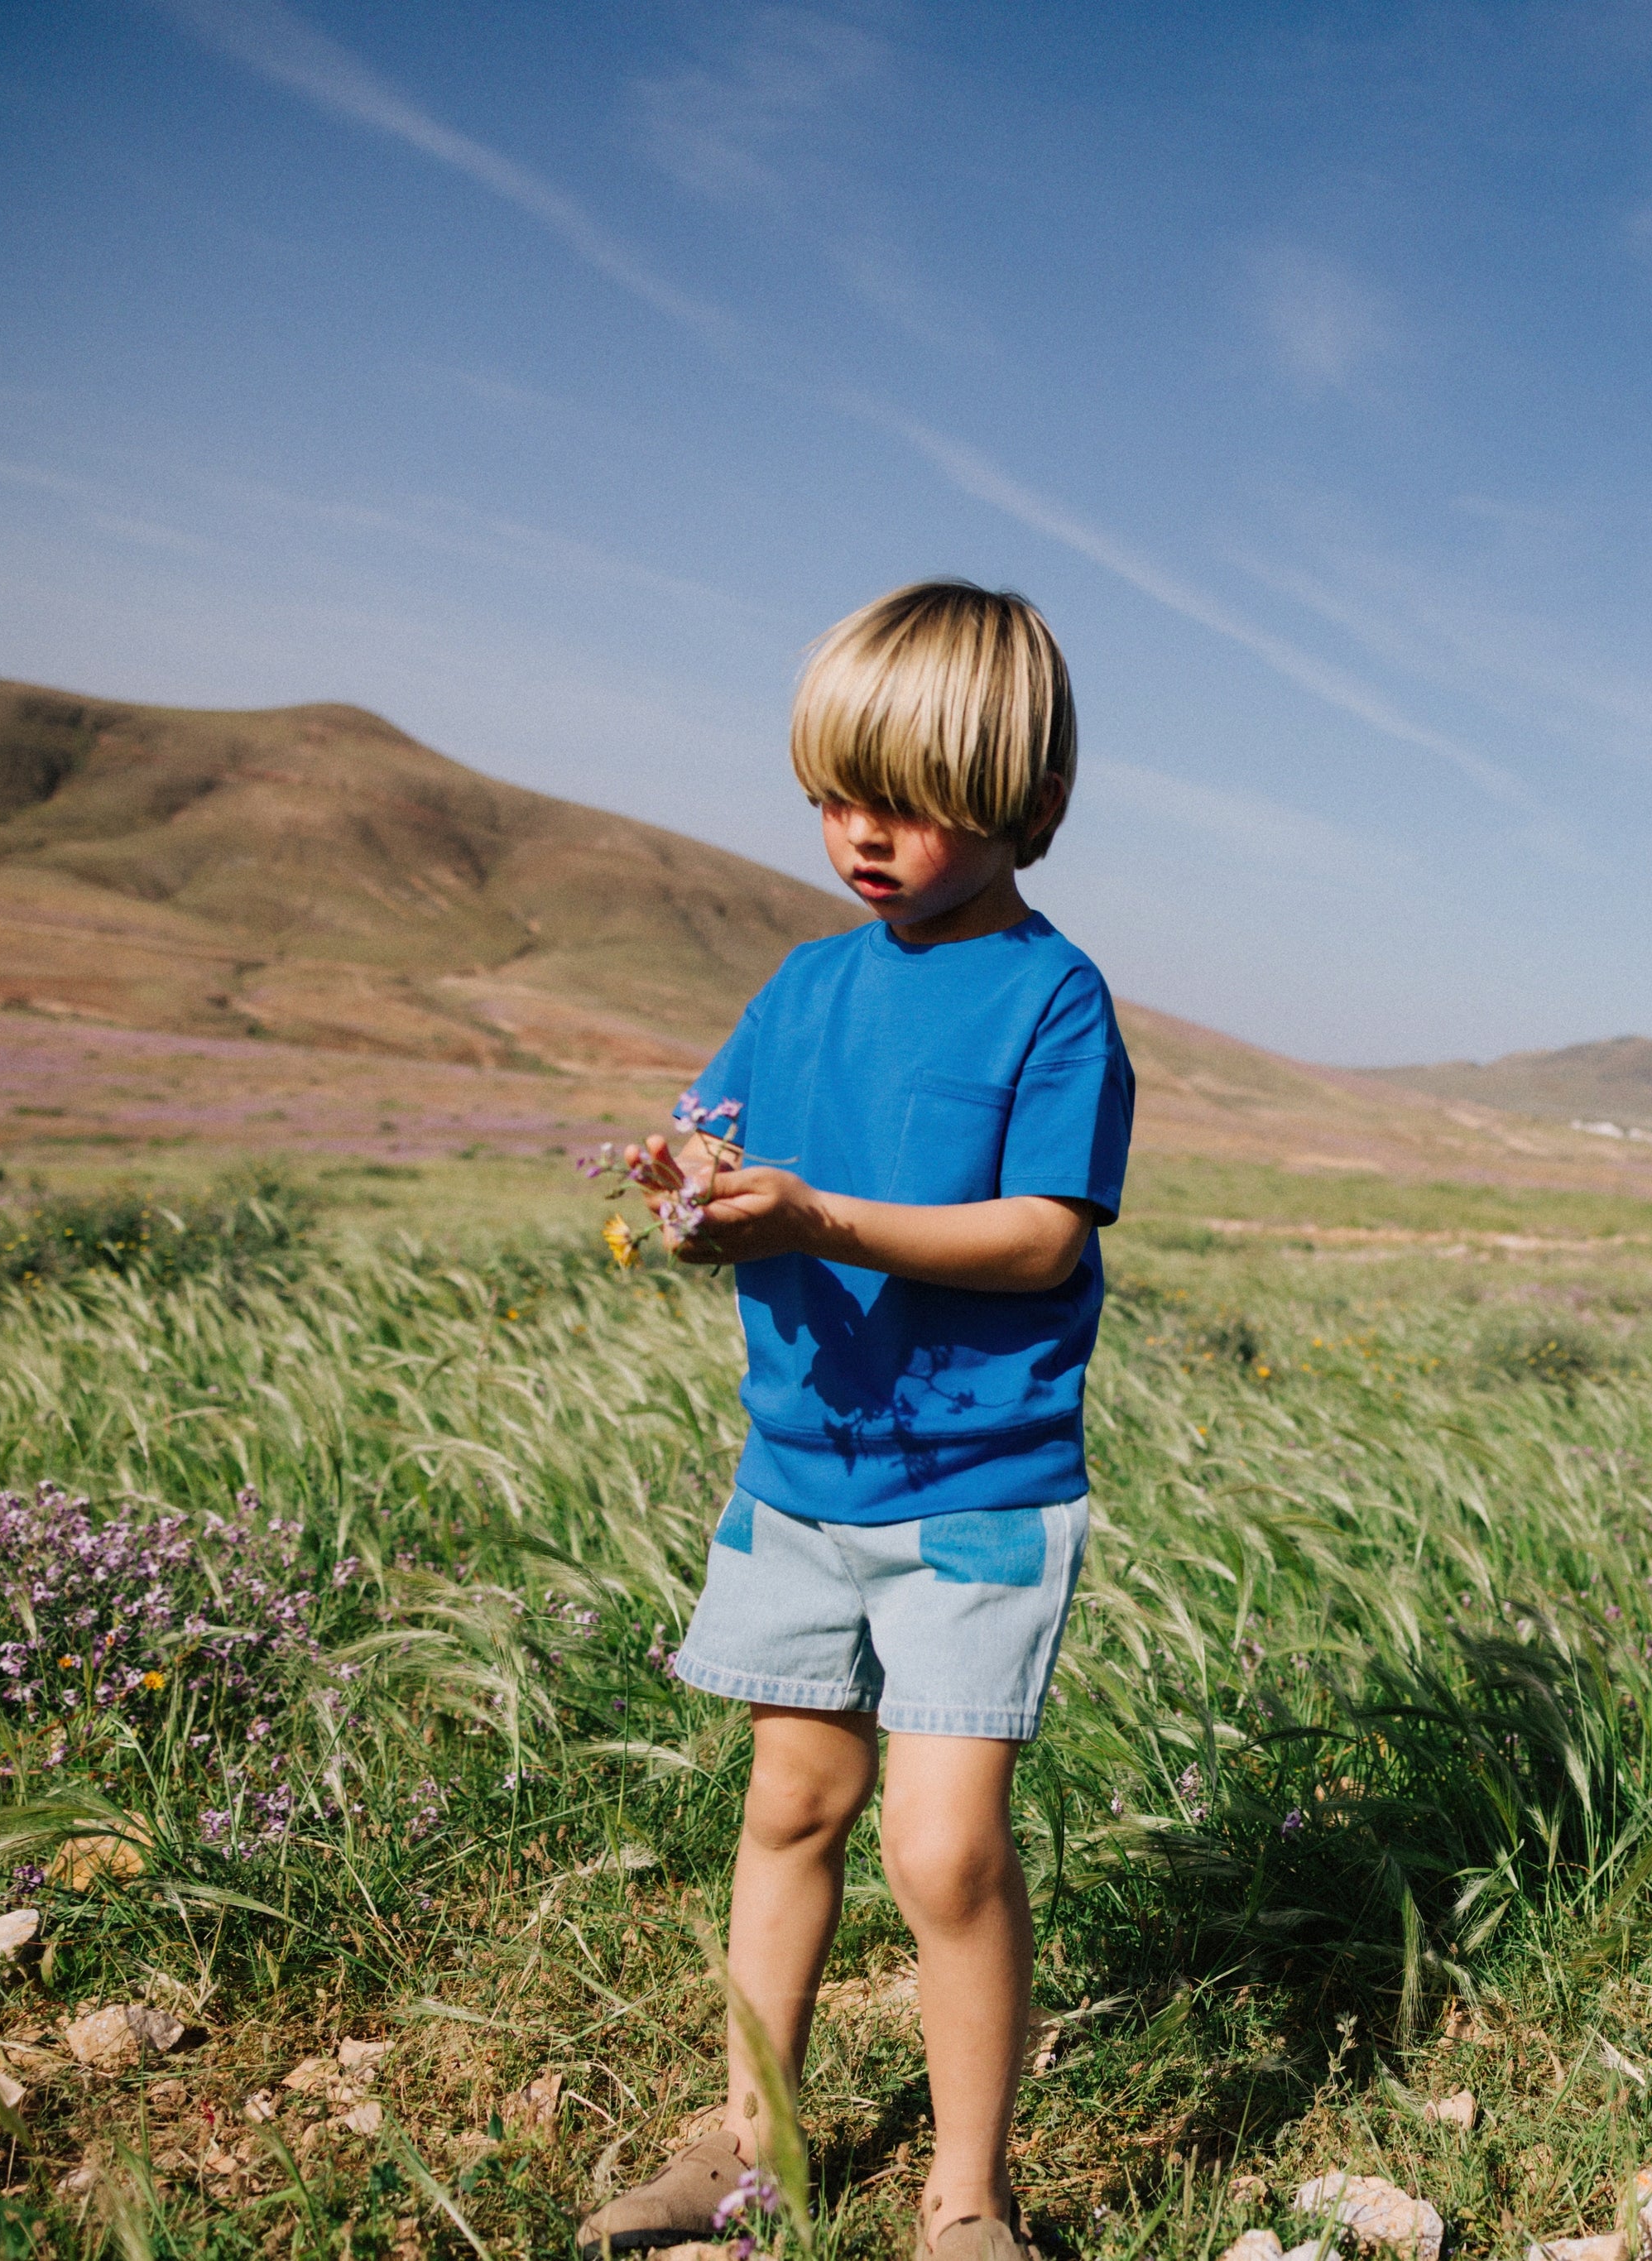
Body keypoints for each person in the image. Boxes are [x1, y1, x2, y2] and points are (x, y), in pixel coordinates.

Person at [576, 582, 1132, 2260]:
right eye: (832, 796)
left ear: (1029, 807)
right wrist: (691, 1198)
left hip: (976, 1493)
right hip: (796, 1482)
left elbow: (1044, 1232)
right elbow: (721, 1156)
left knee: (944, 1852)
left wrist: (815, 1220)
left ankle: (967, 2200)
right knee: (788, 1809)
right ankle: (748, 2144)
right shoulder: (801, 987)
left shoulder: (1055, 1000)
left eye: (906, 803)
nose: (859, 835)